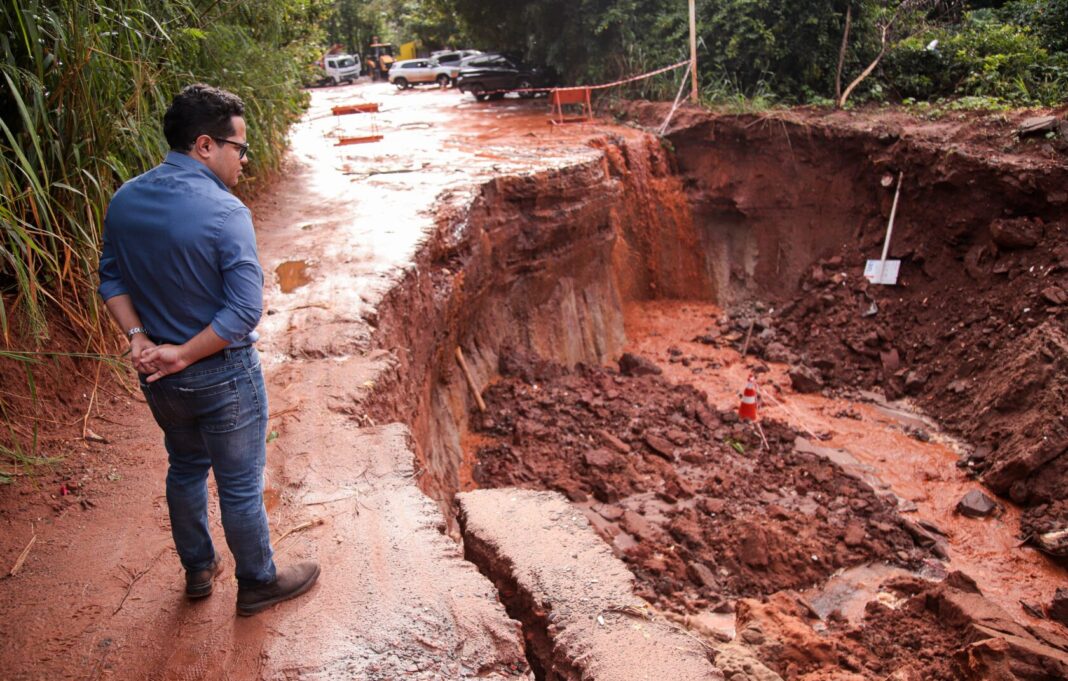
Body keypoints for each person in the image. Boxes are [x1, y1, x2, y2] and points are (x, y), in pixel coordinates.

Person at [98, 84, 319, 616]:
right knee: (239, 486)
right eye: (239, 147)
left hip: (160, 378)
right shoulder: (226, 212)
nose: (245, 159)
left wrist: (140, 339)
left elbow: (111, 279)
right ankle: (258, 582)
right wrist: (185, 353)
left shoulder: (125, 199)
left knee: (185, 467)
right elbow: (243, 311)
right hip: (222, 374)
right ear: (204, 145)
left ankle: (198, 568)